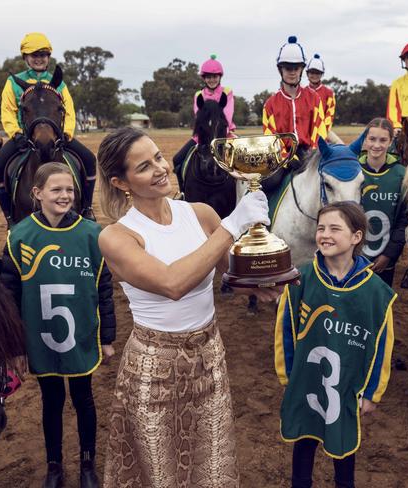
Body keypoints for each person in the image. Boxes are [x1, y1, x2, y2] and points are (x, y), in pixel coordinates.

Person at [96, 127, 278, 487]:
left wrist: (266, 275)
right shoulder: (116, 236)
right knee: (160, 473)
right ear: (121, 182)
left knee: (211, 465)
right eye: (144, 167)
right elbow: (173, 284)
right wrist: (233, 225)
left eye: (159, 157)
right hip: (154, 368)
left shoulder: (200, 214)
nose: (161, 168)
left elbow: (229, 273)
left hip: (209, 357)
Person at [0, 162, 116, 488]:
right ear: (36, 194)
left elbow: (104, 290)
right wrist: (14, 347)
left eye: (69, 189)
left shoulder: (93, 234)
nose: (65, 195)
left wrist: (107, 337)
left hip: (80, 334)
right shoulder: (20, 235)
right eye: (56, 190)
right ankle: (54, 467)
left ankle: (88, 465)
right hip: (40, 337)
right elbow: (9, 295)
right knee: (51, 402)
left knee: (84, 399)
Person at [275, 201, 395, 488]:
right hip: (306, 382)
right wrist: (289, 375)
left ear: (356, 237)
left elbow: (381, 344)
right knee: (303, 441)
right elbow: (286, 329)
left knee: (343, 444)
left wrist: (371, 391)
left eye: (334, 229)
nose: (325, 235)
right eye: (321, 228)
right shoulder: (300, 279)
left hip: (347, 388)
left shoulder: (376, 292)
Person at [0, 33, 97, 224]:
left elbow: (68, 110)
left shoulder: (58, 82)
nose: (39, 58)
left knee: (89, 159)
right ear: (25, 58)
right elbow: (8, 110)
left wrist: (66, 133)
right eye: (34, 55)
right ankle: (10, 217)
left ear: (48, 57)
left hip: (57, 137)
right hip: (24, 139)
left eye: (43, 54)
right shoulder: (13, 82)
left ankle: (87, 208)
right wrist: (16, 134)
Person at [262, 36, 327, 194]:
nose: (292, 72)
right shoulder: (270, 104)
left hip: (308, 153)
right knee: (268, 182)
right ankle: (264, 216)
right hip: (281, 157)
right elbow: (270, 138)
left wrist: (311, 156)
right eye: (287, 68)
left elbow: (319, 130)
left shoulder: (314, 98)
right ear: (280, 70)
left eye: (296, 68)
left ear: (301, 69)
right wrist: (287, 157)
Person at [352, 118, 407, 286]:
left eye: (383, 140)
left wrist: (389, 255)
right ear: (364, 140)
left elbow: (403, 221)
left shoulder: (402, 175)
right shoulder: (353, 170)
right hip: (352, 256)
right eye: (372, 139)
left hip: (384, 260)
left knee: (379, 304)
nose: (377, 145)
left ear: (391, 141)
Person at [173, 54, 236, 190]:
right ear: (204, 78)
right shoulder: (199, 95)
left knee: (243, 162)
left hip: (224, 135)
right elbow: (199, 117)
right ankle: (183, 191)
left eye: (214, 76)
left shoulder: (227, 92)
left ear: (220, 77)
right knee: (177, 159)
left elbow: (227, 115)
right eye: (208, 76)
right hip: (202, 137)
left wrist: (220, 133)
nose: (211, 79)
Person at [306, 53, 336, 135]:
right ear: (307, 74)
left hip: (323, 133)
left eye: (317, 73)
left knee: (343, 146)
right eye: (312, 73)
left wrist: (322, 133)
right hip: (305, 134)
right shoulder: (302, 92)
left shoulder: (329, 93)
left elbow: (329, 116)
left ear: (322, 74)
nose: (314, 75)